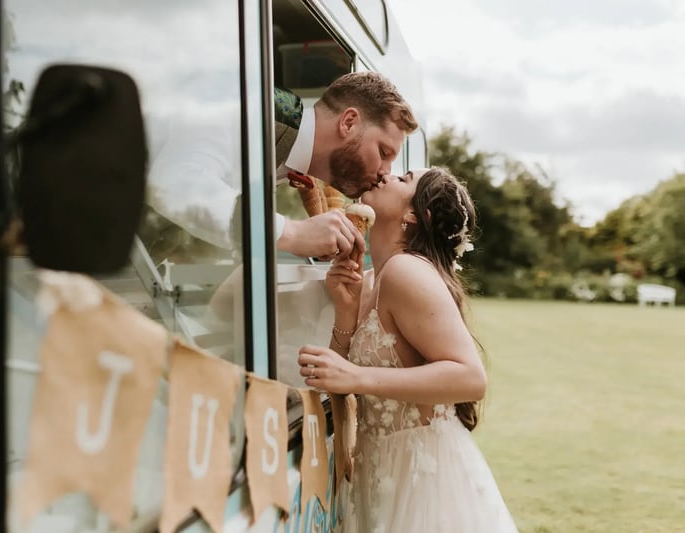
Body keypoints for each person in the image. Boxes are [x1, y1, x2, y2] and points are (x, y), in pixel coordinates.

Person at [297, 167, 518, 532]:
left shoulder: (406, 272)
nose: (386, 174)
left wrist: (357, 376)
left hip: (421, 475)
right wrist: (345, 313)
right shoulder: (370, 278)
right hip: (377, 467)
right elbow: (337, 377)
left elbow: (469, 377)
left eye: (404, 179)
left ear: (416, 215)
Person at [145, 72, 418, 260]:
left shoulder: (290, 160)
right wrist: (292, 233)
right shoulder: (245, 105)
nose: (385, 172)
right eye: (383, 152)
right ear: (348, 123)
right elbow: (174, 181)